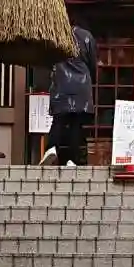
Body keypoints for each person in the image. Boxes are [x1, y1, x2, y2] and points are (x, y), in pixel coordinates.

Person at [42, 24, 97, 167]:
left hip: (61, 82)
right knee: (76, 123)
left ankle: (51, 148)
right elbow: (92, 63)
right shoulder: (86, 36)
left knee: (59, 119)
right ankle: (73, 159)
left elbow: (48, 60)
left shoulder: (55, 34)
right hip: (81, 83)